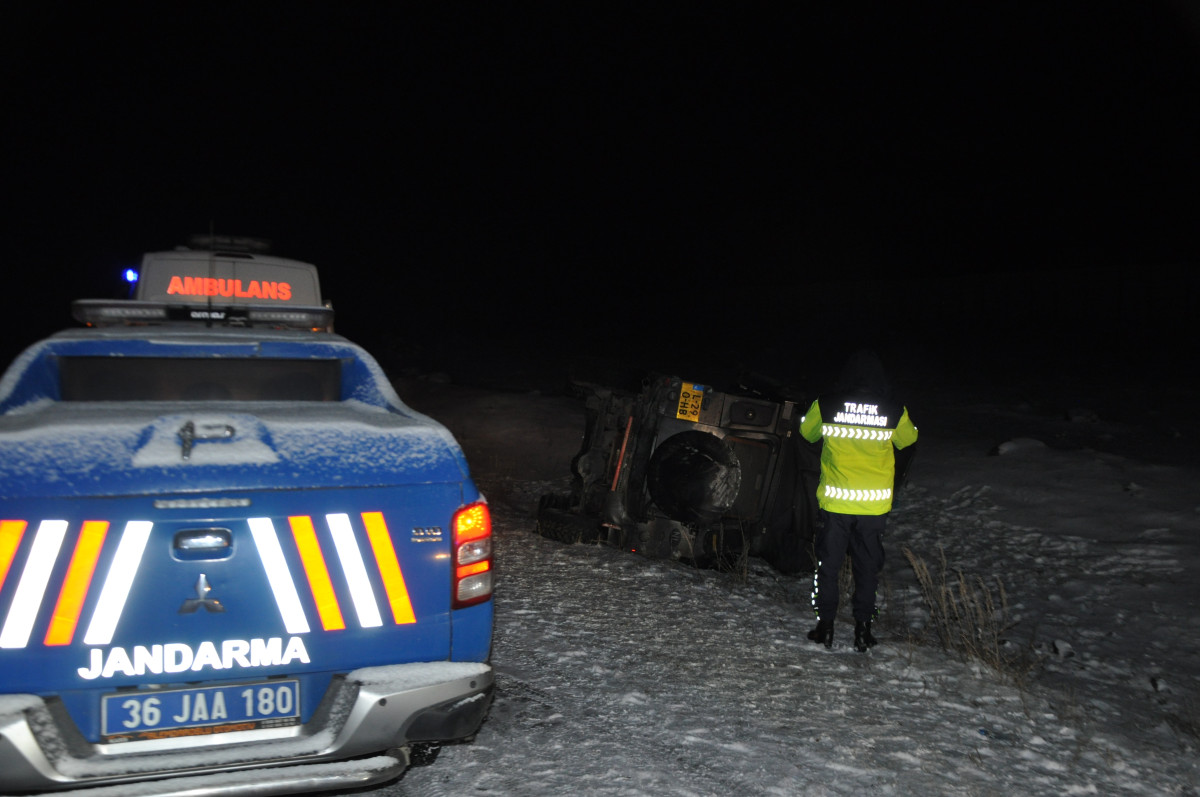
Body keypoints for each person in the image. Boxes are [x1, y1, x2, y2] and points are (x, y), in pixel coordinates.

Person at [799, 350, 918, 651]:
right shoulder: (893, 409)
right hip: (873, 508)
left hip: (836, 505)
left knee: (828, 567)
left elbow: (806, 433)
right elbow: (909, 439)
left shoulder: (826, 404)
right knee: (867, 569)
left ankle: (824, 627)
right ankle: (863, 630)